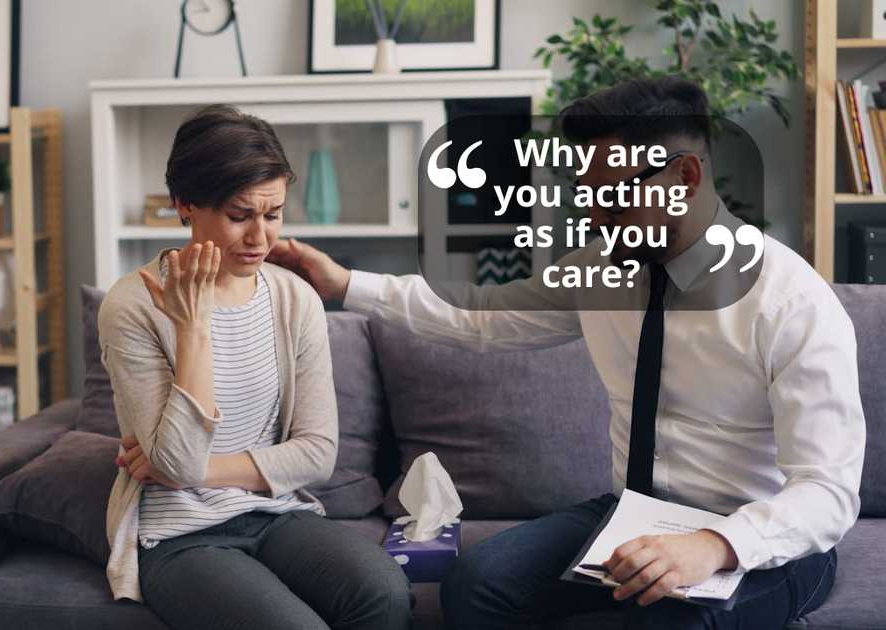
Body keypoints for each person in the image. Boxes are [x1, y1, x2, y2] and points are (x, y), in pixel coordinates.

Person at [261, 77, 866, 629]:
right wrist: (343, 284)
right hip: (634, 515)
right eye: (587, 198)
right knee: (477, 582)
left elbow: (828, 494)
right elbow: (480, 317)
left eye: (614, 198)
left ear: (685, 176)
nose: (597, 220)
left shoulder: (790, 304)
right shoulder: (605, 268)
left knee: (673, 625)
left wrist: (714, 545)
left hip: (762, 544)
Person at [101, 104, 411, 630]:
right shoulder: (132, 306)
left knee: (384, 593)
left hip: (275, 514)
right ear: (185, 205)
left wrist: (200, 472)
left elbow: (317, 454)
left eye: (273, 214)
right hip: (179, 535)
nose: (259, 238)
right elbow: (173, 463)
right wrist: (193, 328)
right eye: (240, 215)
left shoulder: (294, 299)